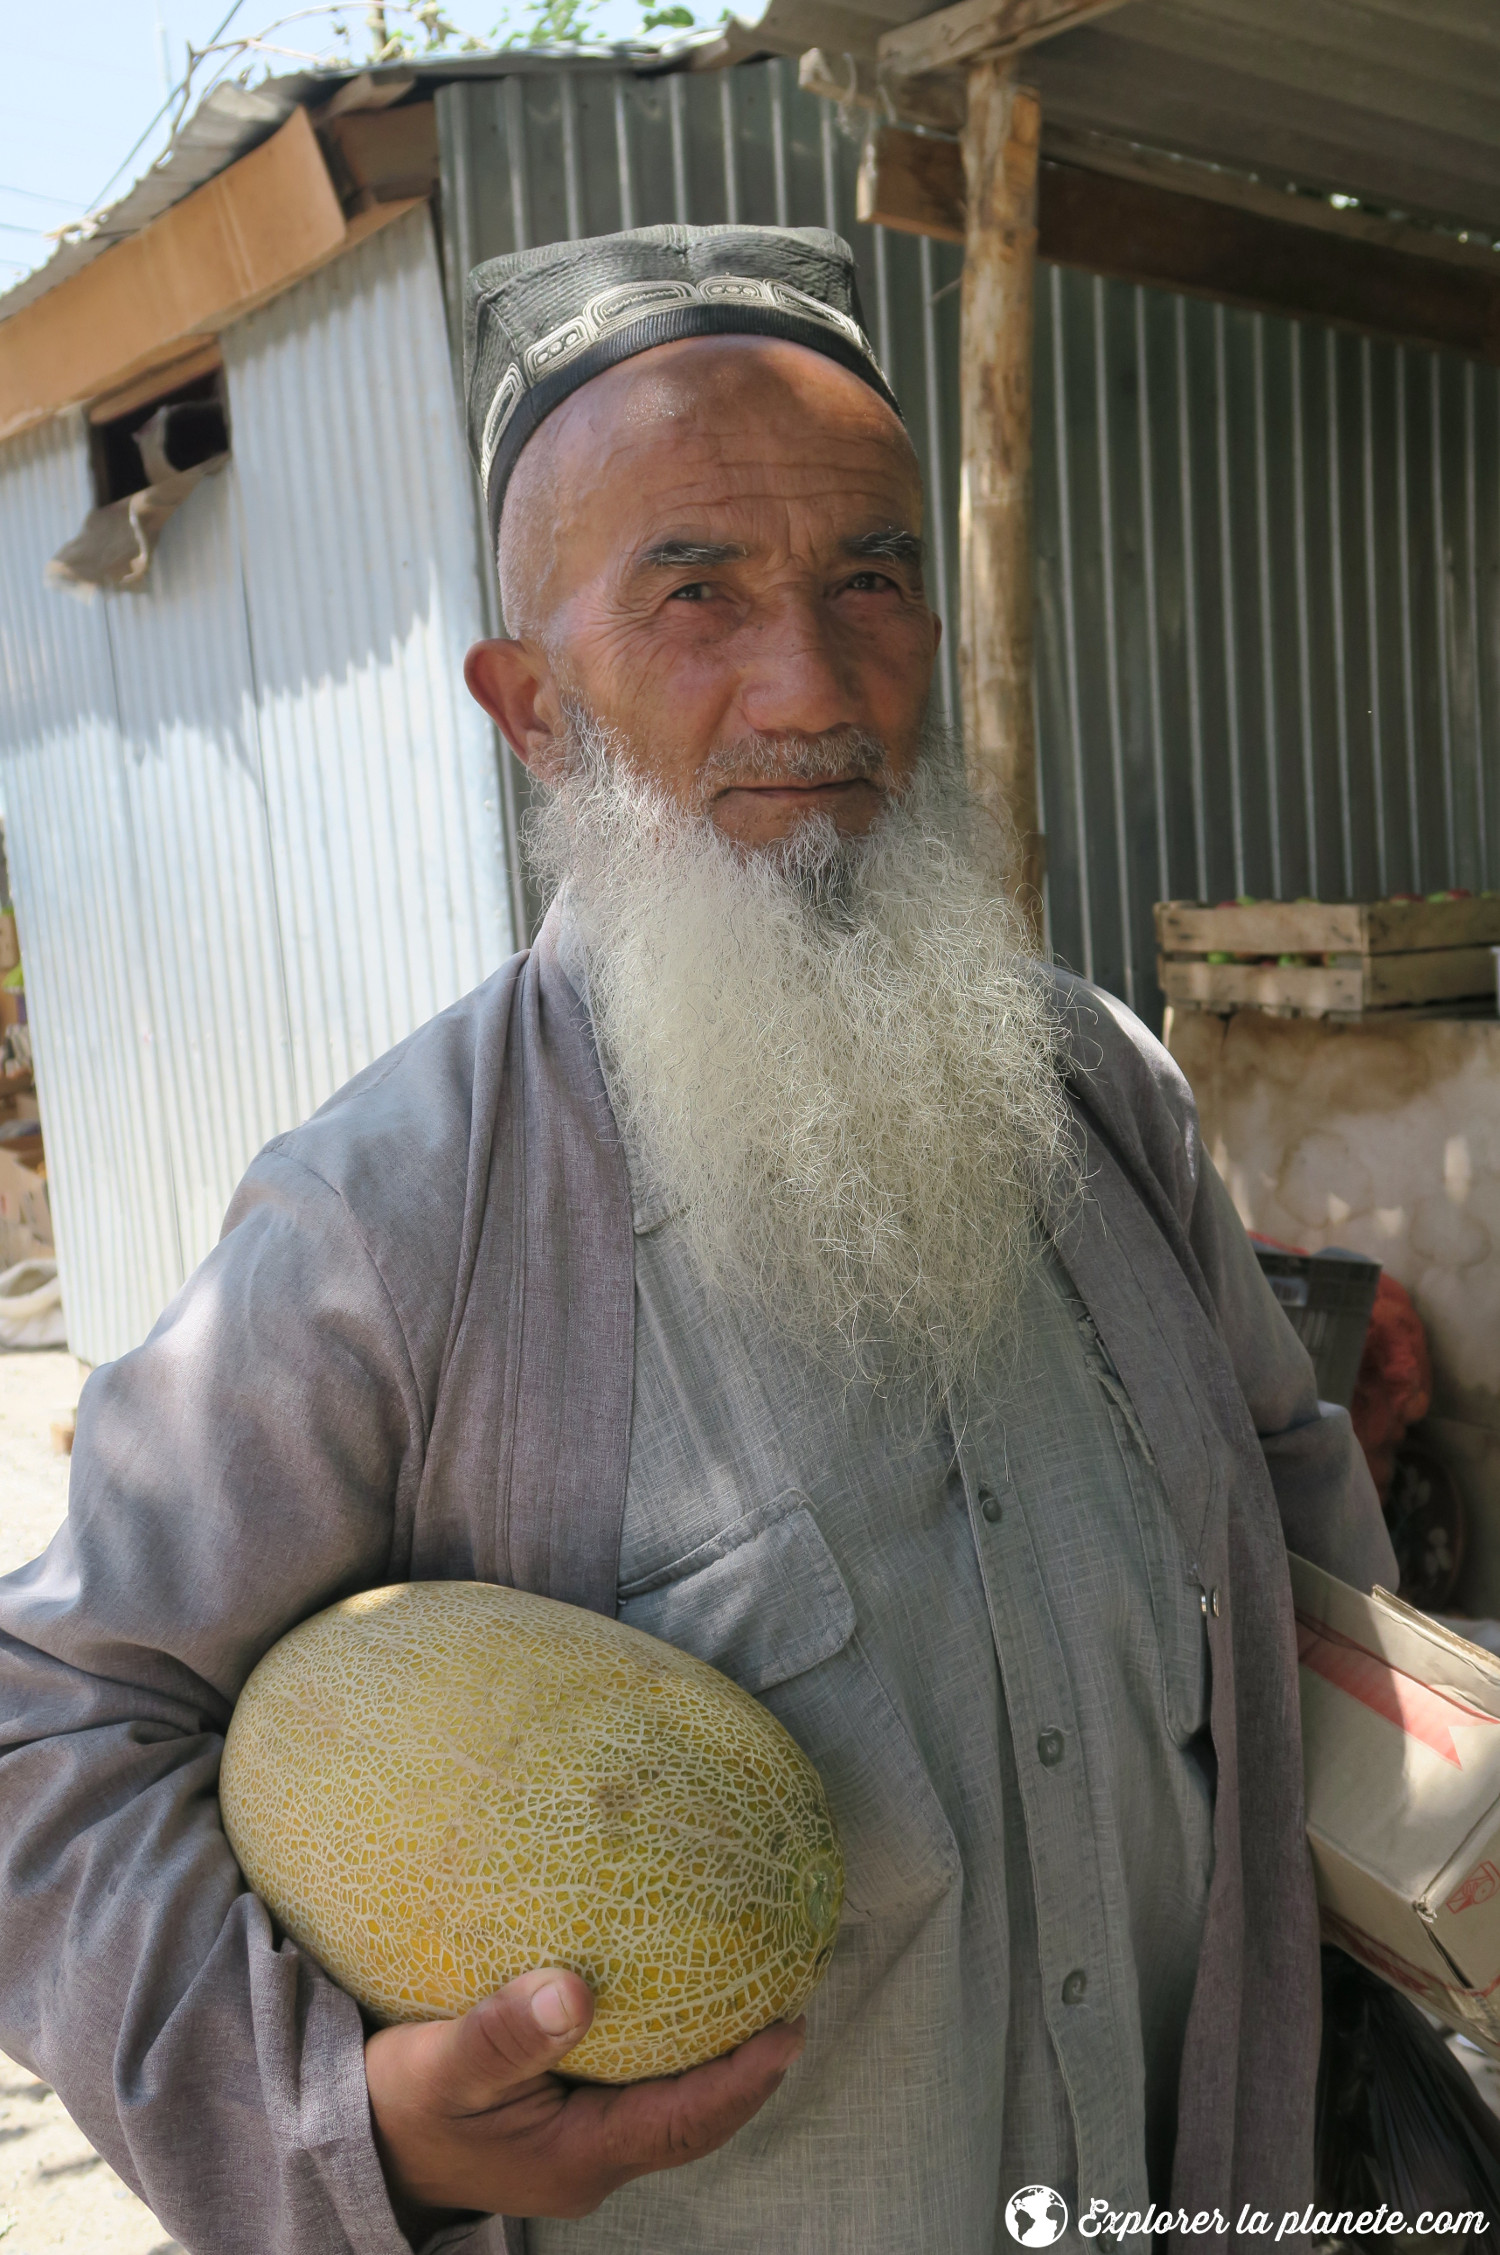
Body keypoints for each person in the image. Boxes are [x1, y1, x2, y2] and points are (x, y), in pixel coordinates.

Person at [0, 223, 1393, 2255]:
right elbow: (49, 1728)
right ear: (529, 705)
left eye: (868, 580)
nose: (810, 686)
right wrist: (354, 2123)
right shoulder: (394, 1213)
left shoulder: (1101, 1094)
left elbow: (1297, 1517)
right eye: (694, 592)